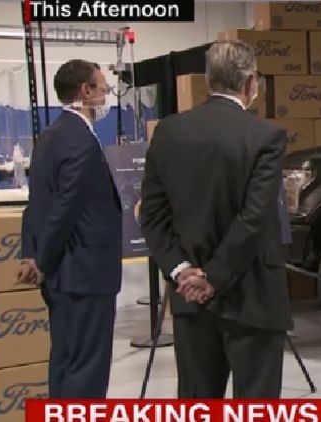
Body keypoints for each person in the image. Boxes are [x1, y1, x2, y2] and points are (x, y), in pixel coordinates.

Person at [140, 39, 293, 399]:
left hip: (189, 298)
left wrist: (181, 271)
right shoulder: (265, 136)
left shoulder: (168, 131)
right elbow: (254, 218)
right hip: (252, 297)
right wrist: (213, 277)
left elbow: (152, 214)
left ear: (209, 79)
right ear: (251, 82)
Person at [17, 59, 121, 398]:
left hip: (62, 276)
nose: (106, 95)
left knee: (64, 360)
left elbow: (36, 202)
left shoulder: (49, 136)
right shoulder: (82, 142)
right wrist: (41, 261)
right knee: (86, 369)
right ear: (85, 91)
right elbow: (64, 210)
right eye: (104, 88)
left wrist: (31, 253)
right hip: (84, 276)